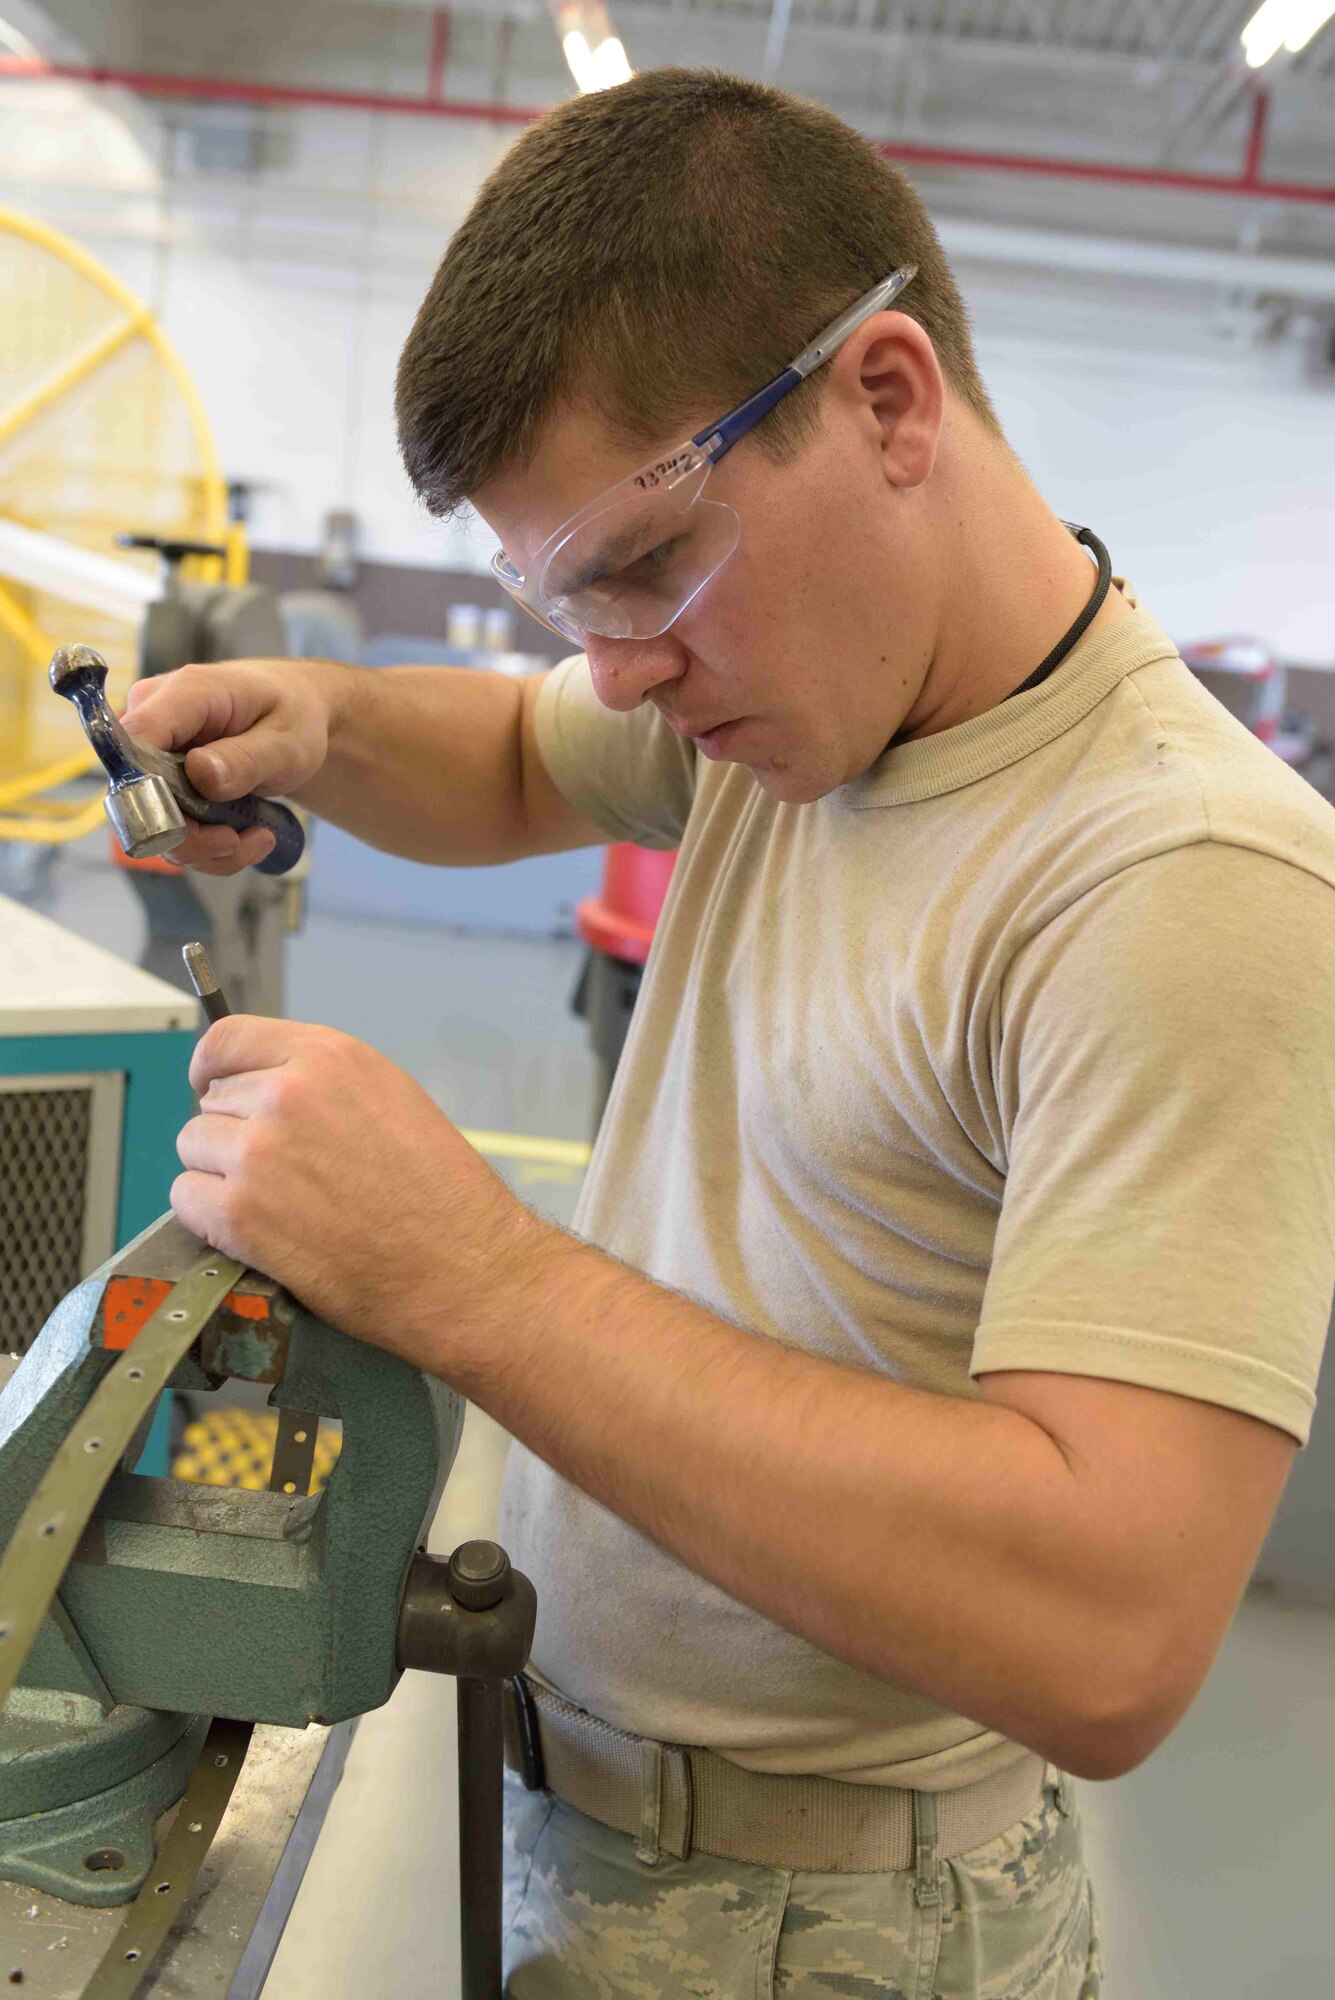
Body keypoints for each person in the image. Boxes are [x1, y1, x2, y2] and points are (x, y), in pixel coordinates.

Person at [126, 69, 1335, 2000]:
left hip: (836, 1929)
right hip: (614, 1830)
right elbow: (521, 746)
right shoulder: (799, 707)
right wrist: (328, 723)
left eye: (633, 565)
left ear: (885, 400)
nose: (613, 663)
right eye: (560, 594)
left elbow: (1113, 1634)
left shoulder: (1180, 876)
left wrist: (464, 1270)